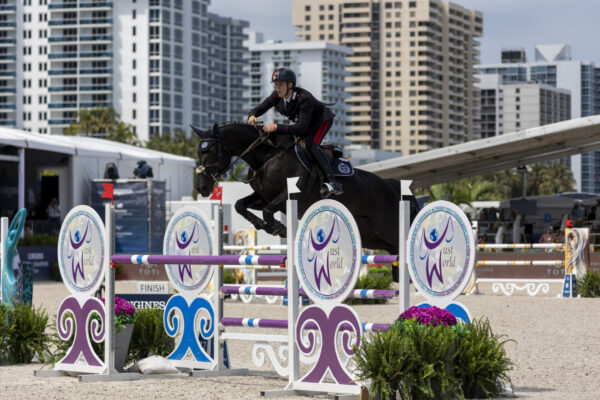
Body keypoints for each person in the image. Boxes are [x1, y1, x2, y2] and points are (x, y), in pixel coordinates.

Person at [247, 67, 343, 198]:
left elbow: (301, 128)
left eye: (280, 84)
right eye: (276, 84)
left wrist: (276, 126)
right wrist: (252, 116)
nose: (277, 88)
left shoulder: (304, 98)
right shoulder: (276, 96)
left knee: (310, 144)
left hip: (321, 121)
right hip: (304, 123)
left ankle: (333, 182)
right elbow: (259, 108)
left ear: (290, 85)